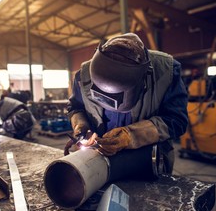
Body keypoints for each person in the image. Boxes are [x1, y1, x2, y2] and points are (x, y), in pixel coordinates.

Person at [67, 33, 188, 174]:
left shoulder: (167, 71)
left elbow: (177, 120)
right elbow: (75, 107)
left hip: (148, 162)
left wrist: (132, 135)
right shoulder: (83, 75)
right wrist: (81, 125)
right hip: (98, 160)